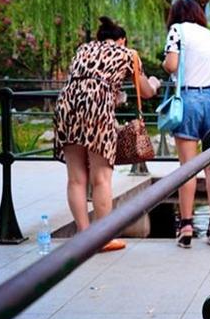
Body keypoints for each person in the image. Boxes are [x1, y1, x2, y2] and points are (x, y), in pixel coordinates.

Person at [54, 16, 161, 252]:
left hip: (67, 104)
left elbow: (84, 78)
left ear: (98, 38)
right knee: (101, 177)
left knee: (76, 178)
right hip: (97, 107)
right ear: (121, 39)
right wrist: (154, 83)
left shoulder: (83, 49)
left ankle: (83, 235)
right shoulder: (127, 54)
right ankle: (102, 238)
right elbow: (145, 91)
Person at [162, 0, 210, 249]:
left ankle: (186, 225)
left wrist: (165, 64)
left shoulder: (177, 30)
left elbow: (172, 64)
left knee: (187, 167)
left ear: (176, 15)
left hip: (187, 99)